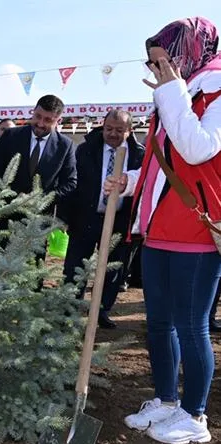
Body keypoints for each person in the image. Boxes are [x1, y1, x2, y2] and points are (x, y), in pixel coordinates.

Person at [108, 17, 221, 444]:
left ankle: (194, 415)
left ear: (188, 55)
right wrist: (131, 182)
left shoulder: (213, 93)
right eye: (153, 64)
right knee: (158, 323)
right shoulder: (175, 95)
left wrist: (172, 92)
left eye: (164, 62)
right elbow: (163, 165)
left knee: (192, 325)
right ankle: (166, 400)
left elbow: (197, 150)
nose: (158, 71)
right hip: (158, 229)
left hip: (196, 230)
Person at [62, 110, 145, 329]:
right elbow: (73, 184)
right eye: (108, 129)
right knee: (75, 266)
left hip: (120, 221)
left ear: (130, 131)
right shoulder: (86, 149)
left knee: (113, 269)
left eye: (119, 130)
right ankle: (70, 311)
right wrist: (68, 217)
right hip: (85, 218)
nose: (113, 134)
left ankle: (102, 310)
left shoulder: (139, 155)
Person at [0, 94, 77, 230]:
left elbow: (70, 183)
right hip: (4, 217)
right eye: (38, 116)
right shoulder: (10, 136)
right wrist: (13, 195)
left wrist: (40, 199)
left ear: (58, 121)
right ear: (33, 111)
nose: (40, 123)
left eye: (48, 120)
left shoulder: (65, 146)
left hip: (39, 223)